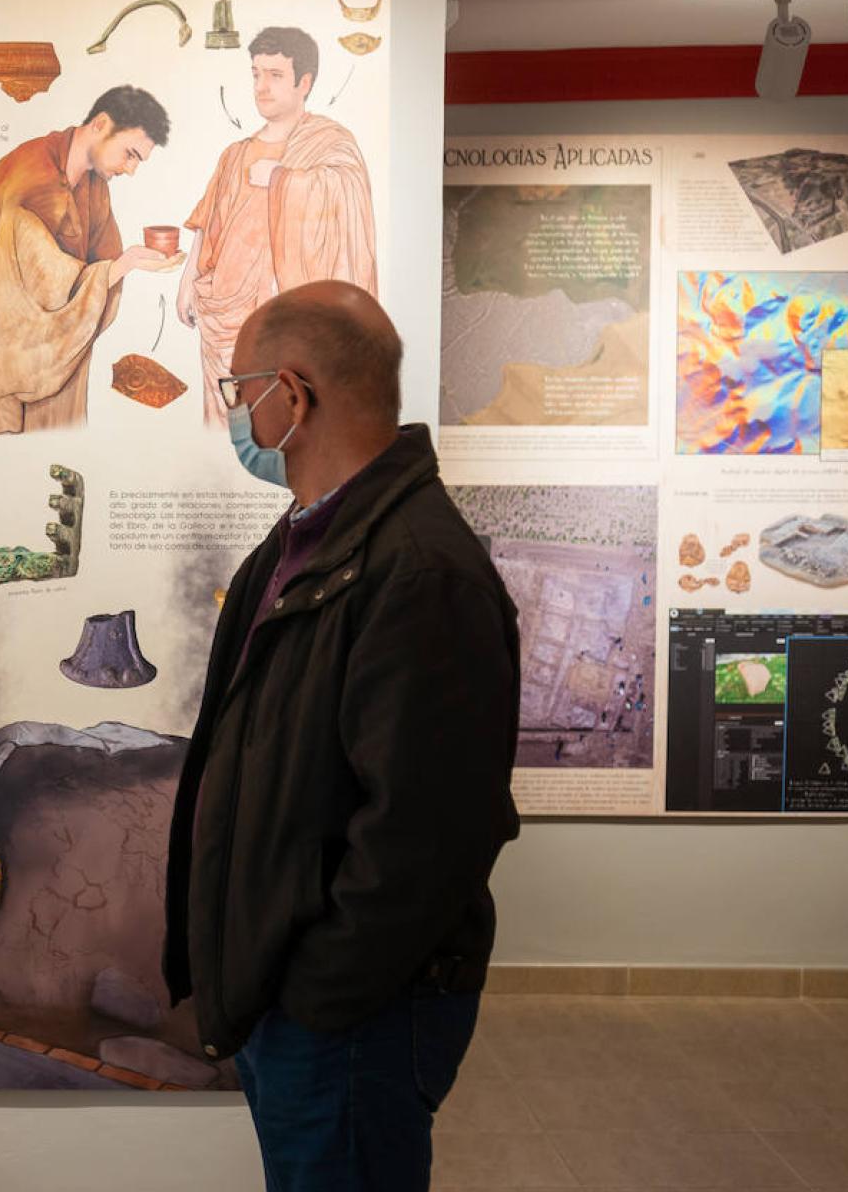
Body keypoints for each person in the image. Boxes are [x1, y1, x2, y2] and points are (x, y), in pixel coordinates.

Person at [164, 281, 521, 1189]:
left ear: (293, 393)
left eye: (238, 391)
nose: (237, 413)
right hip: (297, 1003)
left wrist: (319, 996)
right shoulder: (307, 546)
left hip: (352, 1015)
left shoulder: (418, 572)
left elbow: (426, 835)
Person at [0, 85, 182, 436]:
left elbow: (104, 258)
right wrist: (122, 266)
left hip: (64, 352)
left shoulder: (94, 183)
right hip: (13, 351)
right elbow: (38, 280)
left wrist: (125, 263)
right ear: (101, 124)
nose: (131, 170)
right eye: (130, 154)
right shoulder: (27, 175)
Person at [178, 27, 377, 428]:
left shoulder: (330, 143)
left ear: (304, 83)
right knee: (230, 425)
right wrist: (186, 283)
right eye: (256, 74)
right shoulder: (235, 155)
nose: (261, 87)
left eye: (274, 75)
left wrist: (284, 179)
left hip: (286, 317)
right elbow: (207, 223)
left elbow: (347, 198)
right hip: (223, 310)